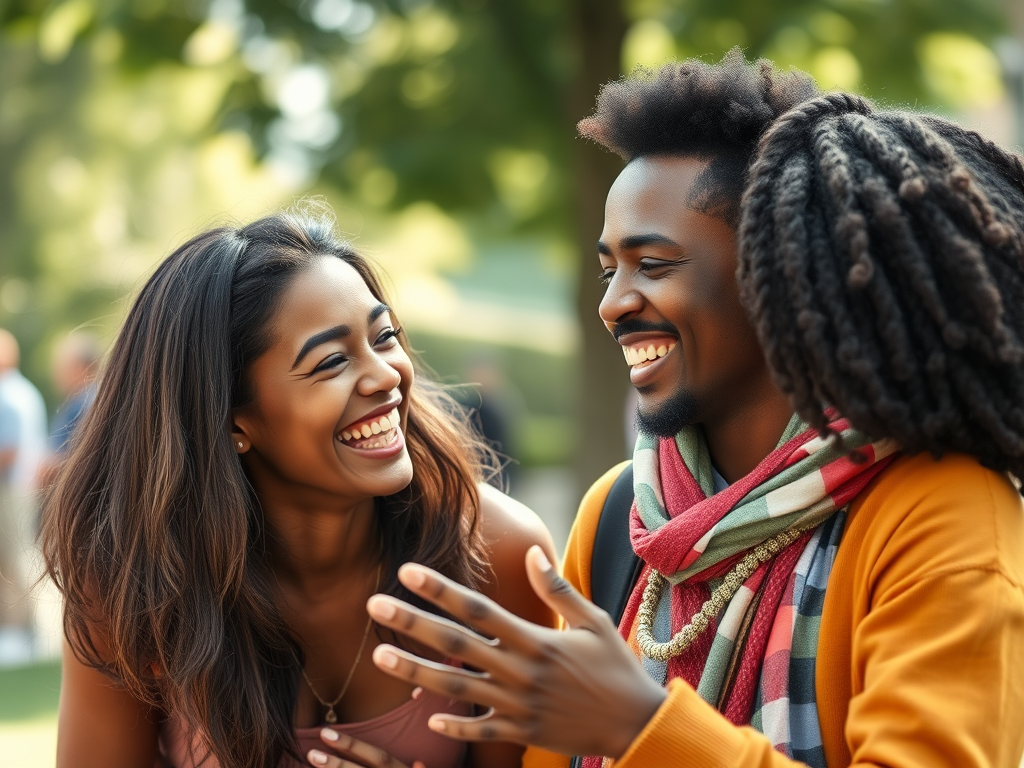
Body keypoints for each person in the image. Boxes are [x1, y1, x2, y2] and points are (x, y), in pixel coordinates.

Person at [358, 52, 1024, 767]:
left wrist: (642, 727)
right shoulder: (618, 515)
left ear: (776, 277)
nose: (613, 304)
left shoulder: (944, 513)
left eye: (654, 264)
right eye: (609, 269)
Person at [41, 210, 557, 768]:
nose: (387, 375)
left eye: (384, 337)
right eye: (331, 361)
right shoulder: (131, 584)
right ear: (231, 418)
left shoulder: (498, 555)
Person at [0, 327, 47, 664]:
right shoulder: (23, 391)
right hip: (20, 487)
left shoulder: (9, 395)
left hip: (12, 488)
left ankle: (26, 632)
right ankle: (19, 631)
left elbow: (9, 450)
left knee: (16, 558)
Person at [36, 331, 101, 489]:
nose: (56, 375)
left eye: (62, 368)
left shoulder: (85, 403)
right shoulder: (81, 400)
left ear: (80, 367)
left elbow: (87, 458)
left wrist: (49, 467)